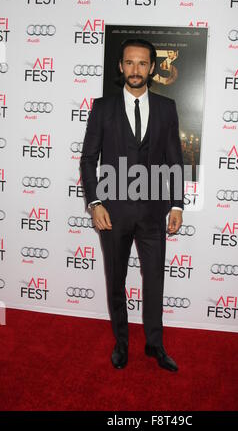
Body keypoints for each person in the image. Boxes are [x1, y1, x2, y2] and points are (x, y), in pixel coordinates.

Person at [80, 38, 184, 372]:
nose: (135, 70)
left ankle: (155, 344)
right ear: (120, 67)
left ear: (152, 68)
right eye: (129, 63)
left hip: (154, 211)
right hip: (113, 212)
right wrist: (94, 202)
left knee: (154, 279)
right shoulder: (102, 108)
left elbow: (175, 160)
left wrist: (177, 205)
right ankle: (121, 343)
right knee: (116, 280)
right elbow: (87, 159)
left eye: (142, 63)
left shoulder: (167, 108)